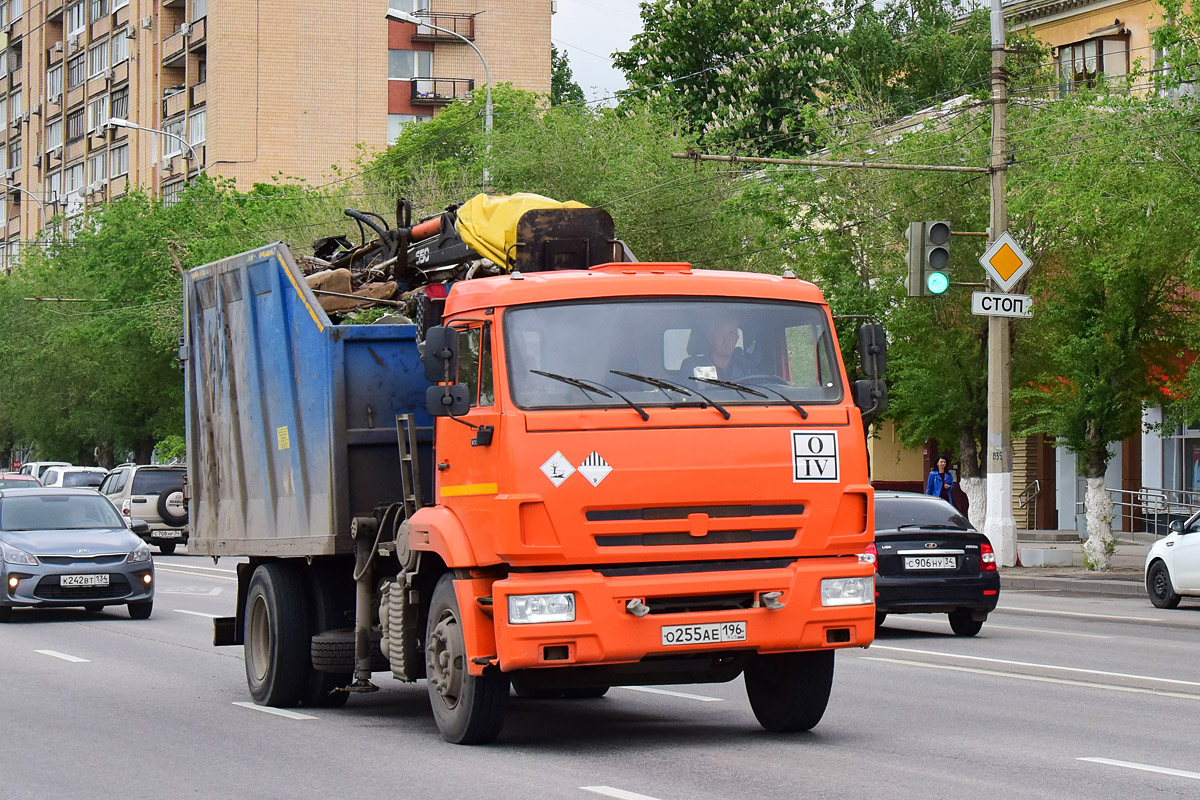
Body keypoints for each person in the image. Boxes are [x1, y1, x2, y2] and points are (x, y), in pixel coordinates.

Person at [681, 318, 750, 381]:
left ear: (736, 338)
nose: (726, 340)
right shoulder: (693, 367)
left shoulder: (745, 367)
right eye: (720, 333)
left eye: (731, 333)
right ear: (711, 338)